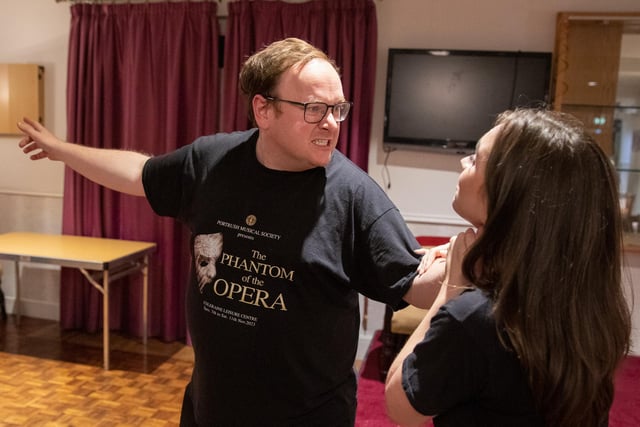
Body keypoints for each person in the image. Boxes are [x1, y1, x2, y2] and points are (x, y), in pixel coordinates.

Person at [17, 37, 446, 426]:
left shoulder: (355, 196)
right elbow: (139, 173)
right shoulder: (213, 160)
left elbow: (414, 285)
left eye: (338, 109)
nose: (332, 123)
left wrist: (470, 261)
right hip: (211, 407)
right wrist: (61, 151)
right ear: (264, 109)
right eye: (314, 109)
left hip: (307, 417)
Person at [385, 108, 632, 427]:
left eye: (474, 159)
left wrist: (450, 288)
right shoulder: (588, 304)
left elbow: (398, 403)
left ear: (506, 197)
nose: (462, 162)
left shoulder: (473, 319)